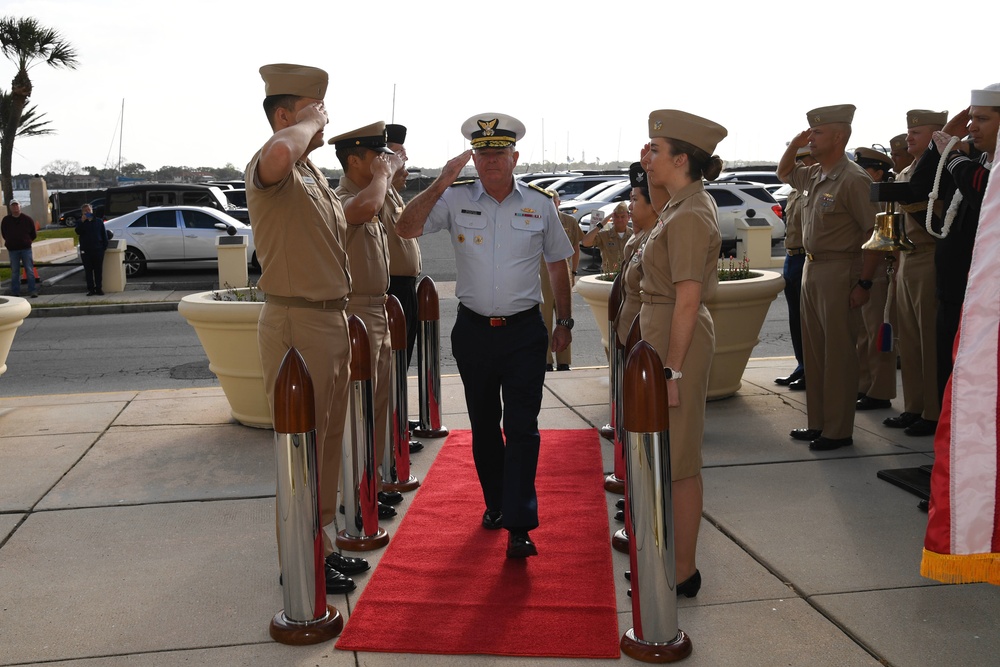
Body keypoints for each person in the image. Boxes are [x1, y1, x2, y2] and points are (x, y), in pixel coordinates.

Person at [395, 113, 574, 559]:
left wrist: (565, 322)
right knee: (485, 428)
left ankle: (519, 522)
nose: (491, 162)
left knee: (522, 428)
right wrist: (440, 182)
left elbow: (557, 264)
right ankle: (495, 504)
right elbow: (405, 227)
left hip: (524, 333)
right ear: (472, 157)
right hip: (474, 332)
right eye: (483, 154)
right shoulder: (454, 199)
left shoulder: (540, 204)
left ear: (515, 157)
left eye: (499, 154)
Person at [244, 63, 368, 594]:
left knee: (328, 442)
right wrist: (300, 126)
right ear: (283, 115)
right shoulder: (273, 163)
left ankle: (318, 545)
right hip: (296, 321)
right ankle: (297, 558)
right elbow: (276, 153)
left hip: (328, 321)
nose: (323, 124)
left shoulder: (311, 174)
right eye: (314, 113)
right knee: (302, 449)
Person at [638, 109, 727, 598]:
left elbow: (689, 298)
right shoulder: (680, 204)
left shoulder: (692, 213)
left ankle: (684, 571)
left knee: (680, 459)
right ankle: (668, 557)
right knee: (663, 455)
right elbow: (657, 206)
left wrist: (671, 369)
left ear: (683, 159)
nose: (648, 158)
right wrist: (650, 171)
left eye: (657, 151)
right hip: (664, 332)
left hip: (680, 341)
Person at [779, 104, 880, 451]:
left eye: (817, 133)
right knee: (816, 352)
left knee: (838, 354)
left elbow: (875, 233)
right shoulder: (815, 174)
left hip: (841, 270)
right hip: (812, 268)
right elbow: (783, 172)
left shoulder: (853, 179)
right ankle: (818, 423)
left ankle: (838, 430)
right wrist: (795, 144)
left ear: (838, 136)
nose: (811, 138)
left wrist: (864, 283)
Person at [330, 120, 403, 518]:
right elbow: (368, 208)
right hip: (356, 312)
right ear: (354, 160)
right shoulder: (344, 198)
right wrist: (383, 177)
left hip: (377, 308)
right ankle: (355, 496)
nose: (383, 162)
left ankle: (369, 483)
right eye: (376, 156)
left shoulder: (374, 194)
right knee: (357, 411)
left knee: (377, 406)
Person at [906, 86, 997, 402]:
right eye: (971, 118)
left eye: (982, 118)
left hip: (985, 303)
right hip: (954, 294)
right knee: (951, 382)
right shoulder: (976, 161)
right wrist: (944, 139)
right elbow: (919, 188)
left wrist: (955, 156)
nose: (972, 127)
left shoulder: (978, 168)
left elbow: (983, 193)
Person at [884, 110, 947, 437]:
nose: (909, 138)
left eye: (917, 132)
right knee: (908, 339)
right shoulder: (908, 170)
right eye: (909, 132)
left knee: (927, 338)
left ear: (937, 135)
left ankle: (933, 412)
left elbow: (935, 219)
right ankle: (914, 406)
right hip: (908, 259)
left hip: (929, 256)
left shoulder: (940, 170)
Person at [852, 146, 897, 411]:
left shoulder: (880, 197)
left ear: (878, 172)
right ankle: (865, 386)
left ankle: (879, 391)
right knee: (863, 334)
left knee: (878, 335)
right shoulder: (868, 191)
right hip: (863, 267)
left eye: (865, 169)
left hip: (877, 271)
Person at [774, 146, 816, 391]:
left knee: (809, 320)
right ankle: (801, 365)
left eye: (801, 160)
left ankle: (811, 370)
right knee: (795, 319)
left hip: (806, 257)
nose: (796, 165)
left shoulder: (815, 189)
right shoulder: (795, 192)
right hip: (791, 258)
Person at [541, 190, 581, 371]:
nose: (551, 204)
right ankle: (547, 360)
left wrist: (573, 271)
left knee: (564, 319)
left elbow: (575, 248)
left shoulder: (569, 221)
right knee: (545, 317)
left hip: (563, 271)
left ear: (558, 202)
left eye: (554, 201)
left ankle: (564, 361)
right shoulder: (538, 219)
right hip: (543, 272)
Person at [581, 201, 631, 274]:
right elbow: (586, 242)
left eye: (623, 217)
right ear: (612, 218)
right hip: (609, 278)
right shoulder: (604, 235)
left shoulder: (634, 235)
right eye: (617, 217)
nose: (620, 220)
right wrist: (601, 224)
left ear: (628, 217)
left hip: (628, 277)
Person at [1, 199, 38, 298]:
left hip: (26, 249)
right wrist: (10, 242)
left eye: (16, 205)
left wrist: (27, 241)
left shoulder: (27, 219)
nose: (15, 207)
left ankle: (32, 290)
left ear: (20, 206)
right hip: (13, 250)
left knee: (29, 270)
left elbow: (33, 234)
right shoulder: (6, 220)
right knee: (14, 272)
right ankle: (15, 292)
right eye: (13, 206)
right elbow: (4, 233)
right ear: (10, 208)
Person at [75, 203, 108, 296]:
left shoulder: (98, 221)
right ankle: (91, 289)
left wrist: (104, 247)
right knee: (88, 271)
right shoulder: (79, 222)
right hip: (86, 250)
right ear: (82, 212)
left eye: (89, 210)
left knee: (98, 270)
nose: (87, 212)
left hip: (98, 249)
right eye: (85, 211)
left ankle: (99, 288)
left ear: (92, 211)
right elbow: (78, 231)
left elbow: (104, 235)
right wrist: (82, 221)